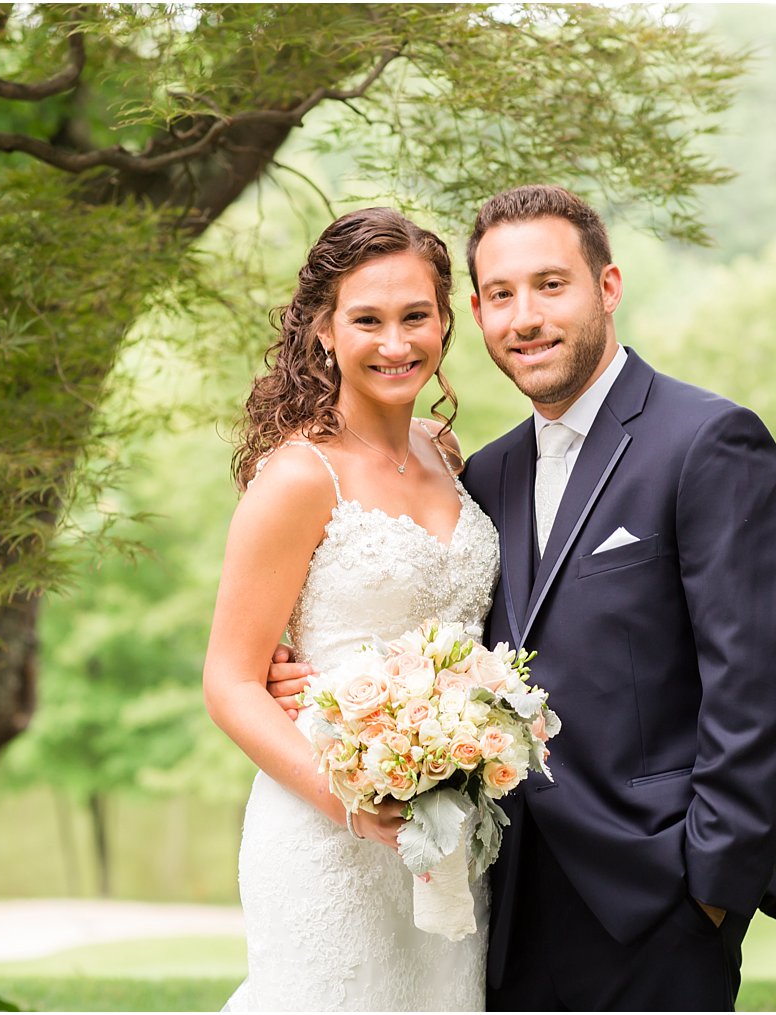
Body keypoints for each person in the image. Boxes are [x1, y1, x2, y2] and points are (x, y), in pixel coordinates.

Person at [270, 184, 776, 1011]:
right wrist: (324, 693)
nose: (525, 316)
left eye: (550, 285)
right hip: (501, 899)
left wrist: (710, 890)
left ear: (608, 286)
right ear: (479, 317)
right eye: (500, 295)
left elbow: (757, 691)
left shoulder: (708, 443)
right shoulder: (483, 474)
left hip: (658, 899)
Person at [203, 207, 498, 1011]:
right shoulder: (301, 475)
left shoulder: (444, 451)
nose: (396, 342)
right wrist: (355, 804)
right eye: (367, 319)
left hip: (449, 832)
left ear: (444, 321)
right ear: (323, 332)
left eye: (416, 316)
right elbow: (230, 683)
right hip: (325, 834)